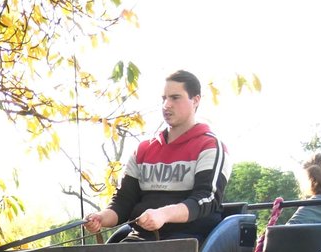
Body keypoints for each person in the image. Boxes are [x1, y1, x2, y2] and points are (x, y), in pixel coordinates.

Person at [83, 70, 230, 242]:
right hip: (140, 242)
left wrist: (164, 214)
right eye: (163, 99)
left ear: (195, 100)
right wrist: (101, 218)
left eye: (175, 98)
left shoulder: (210, 146)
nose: (166, 105)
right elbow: (123, 203)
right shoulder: (143, 150)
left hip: (190, 242)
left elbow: (206, 199)